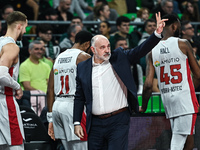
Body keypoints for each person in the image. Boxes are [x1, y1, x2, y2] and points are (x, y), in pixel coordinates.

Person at [73, 12, 167, 150]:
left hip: (118, 120)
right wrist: (76, 122)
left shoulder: (119, 57)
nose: (107, 50)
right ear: (93, 49)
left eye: (108, 46)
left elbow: (140, 50)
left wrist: (157, 34)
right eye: (102, 47)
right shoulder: (82, 67)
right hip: (94, 124)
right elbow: (79, 97)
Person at [139, 14, 200, 150]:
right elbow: (198, 74)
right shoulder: (183, 44)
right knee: (178, 141)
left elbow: (148, 85)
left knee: (188, 137)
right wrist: (186, 90)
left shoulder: (151, 51)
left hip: (167, 99)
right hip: (184, 99)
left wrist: (143, 106)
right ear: (174, 26)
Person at [47, 31, 93, 150]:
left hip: (57, 106)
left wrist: (50, 117)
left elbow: (50, 89)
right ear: (87, 44)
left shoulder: (58, 57)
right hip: (73, 106)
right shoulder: (84, 57)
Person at [0, 11, 27, 149]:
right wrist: (17, 86)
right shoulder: (12, 46)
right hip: (5, 101)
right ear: (19, 26)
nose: (25, 31)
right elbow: (2, 74)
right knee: (16, 145)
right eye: (25, 27)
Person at [19, 40, 51, 115]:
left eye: (41, 49)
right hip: (32, 98)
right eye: (36, 49)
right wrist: (41, 93)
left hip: (46, 98)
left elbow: (49, 83)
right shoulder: (24, 65)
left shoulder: (46, 66)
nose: (39, 51)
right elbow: (26, 86)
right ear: (30, 50)